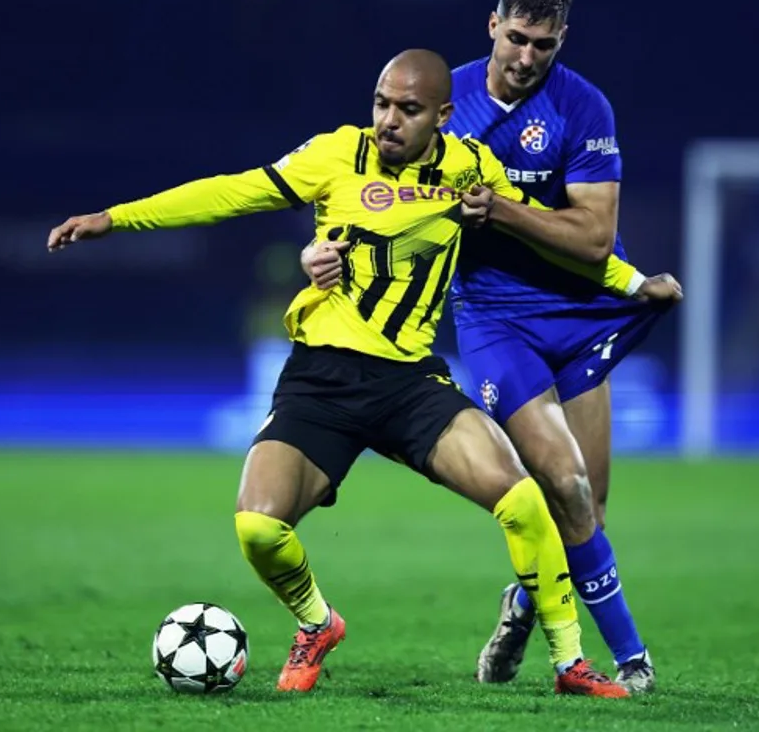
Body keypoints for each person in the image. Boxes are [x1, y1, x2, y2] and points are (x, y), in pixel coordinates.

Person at [46, 49, 650, 698]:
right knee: (257, 527)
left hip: (411, 383)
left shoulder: (472, 168)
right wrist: (116, 219)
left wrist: (636, 282)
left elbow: (539, 234)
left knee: (525, 498)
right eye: (381, 104)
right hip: (322, 380)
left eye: (408, 110)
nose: (389, 120)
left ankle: (570, 665)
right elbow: (231, 191)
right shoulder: (335, 154)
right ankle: (316, 622)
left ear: (443, 116)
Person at [300, 0, 682, 693]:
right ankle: (633, 663)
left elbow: (595, 241)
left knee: (588, 509)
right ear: (492, 27)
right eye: (516, 39)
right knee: (563, 483)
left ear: (562, 38)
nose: (527, 57)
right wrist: (320, 250)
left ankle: (522, 602)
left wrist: (507, 213)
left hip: (582, 315)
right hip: (495, 319)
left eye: (544, 44)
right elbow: (366, 194)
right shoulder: (444, 100)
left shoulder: (584, 109)